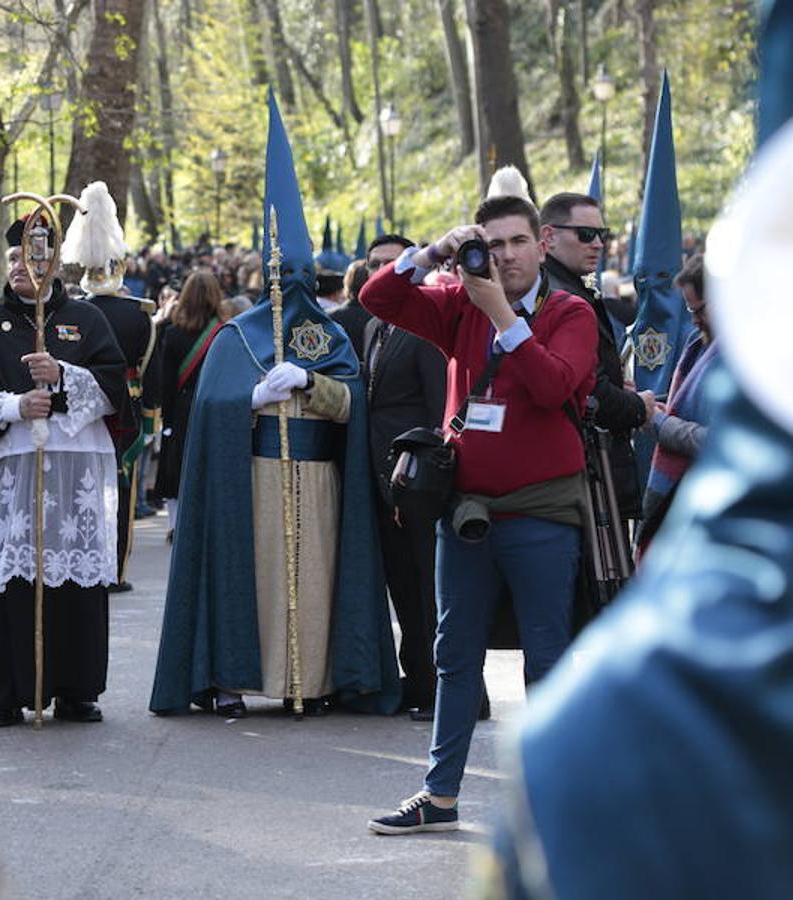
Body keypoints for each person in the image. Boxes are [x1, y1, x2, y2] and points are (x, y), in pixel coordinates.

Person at [483, 67, 793, 900]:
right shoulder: (613, 721)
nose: (602, 247)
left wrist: (646, 417)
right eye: (588, 234)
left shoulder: (610, 720)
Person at [149, 92, 400, 720]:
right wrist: (252, 398)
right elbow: (209, 414)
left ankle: (310, 681)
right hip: (254, 480)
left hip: (319, 483)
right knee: (254, 580)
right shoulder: (236, 337)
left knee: (315, 584)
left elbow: (354, 404)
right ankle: (238, 673)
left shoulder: (335, 335)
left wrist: (313, 387)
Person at [360, 190, 597, 834]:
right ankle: (439, 798)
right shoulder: (457, 303)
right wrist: (430, 254)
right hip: (465, 511)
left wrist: (503, 317)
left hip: (543, 512)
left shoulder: (570, 312)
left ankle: (548, 805)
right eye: (492, 245)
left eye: (519, 242)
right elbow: (376, 300)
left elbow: (554, 387)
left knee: (545, 657)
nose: (507, 256)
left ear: (542, 244)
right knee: (453, 655)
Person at [0, 213, 128, 728]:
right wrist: (13, 406)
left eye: (33, 257)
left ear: (53, 265)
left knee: (73, 583)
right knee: (10, 576)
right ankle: (5, 693)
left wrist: (65, 377)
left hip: (73, 476)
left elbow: (117, 387)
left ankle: (74, 689)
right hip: (11, 473)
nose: (21, 267)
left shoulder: (88, 321)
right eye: (13, 259)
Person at [359, 235, 448, 719]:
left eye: (394, 263)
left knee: (431, 592)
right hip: (381, 479)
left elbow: (439, 407)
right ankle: (415, 681)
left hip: (419, 482)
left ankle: (450, 690)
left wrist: (426, 483)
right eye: (375, 264)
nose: (383, 269)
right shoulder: (374, 326)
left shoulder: (425, 324)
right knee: (404, 593)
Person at [62, 181, 157, 594]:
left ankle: (80, 561)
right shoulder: (139, 315)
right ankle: (114, 569)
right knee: (120, 489)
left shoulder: (73, 313)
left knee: (80, 486)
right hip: (126, 409)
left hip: (79, 409)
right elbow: (146, 366)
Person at [540, 192, 650, 521]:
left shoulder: (567, 286)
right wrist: (637, 407)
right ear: (549, 236)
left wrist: (619, 386)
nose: (598, 244)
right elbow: (585, 391)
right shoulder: (560, 294)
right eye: (586, 234)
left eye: (603, 235)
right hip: (581, 468)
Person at [636, 252, 720, 549]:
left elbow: (718, 441)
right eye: (689, 310)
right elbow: (685, 406)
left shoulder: (750, 355)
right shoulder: (700, 344)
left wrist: (659, 422)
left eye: (699, 311)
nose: (694, 320)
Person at [154, 270, 224, 530]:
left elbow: (167, 383)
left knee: (175, 467)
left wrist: (167, 419)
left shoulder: (172, 333)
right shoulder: (224, 332)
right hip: (211, 406)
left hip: (182, 410)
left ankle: (175, 525)